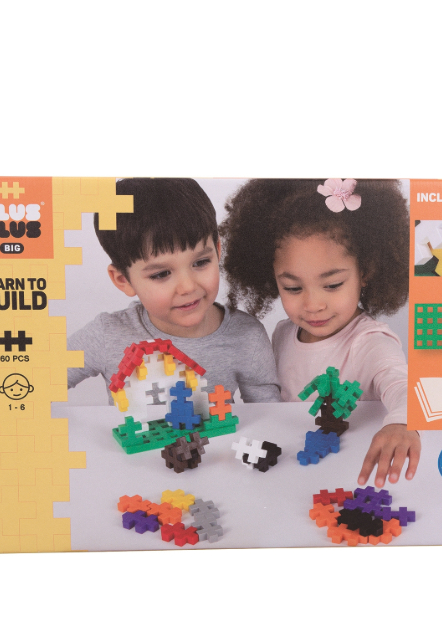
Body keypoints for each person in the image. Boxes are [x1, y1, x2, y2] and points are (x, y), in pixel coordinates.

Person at [219, 178, 420, 487]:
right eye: (293, 288)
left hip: (350, 476)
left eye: (332, 285)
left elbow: (402, 385)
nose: (313, 305)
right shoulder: (282, 335)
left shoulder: (370, 343)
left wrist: (402, 422)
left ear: (365, 271)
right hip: (291, 474)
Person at [67, 178, 281, 404]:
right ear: (123, 280)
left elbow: (268, 414)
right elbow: (43, 379)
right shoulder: (106, 334)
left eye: (200, 262)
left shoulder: (247, 336)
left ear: (218, 250)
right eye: (161, 274)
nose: (188, 286)